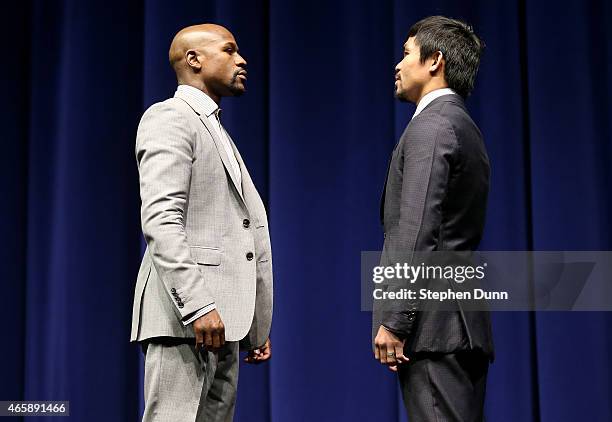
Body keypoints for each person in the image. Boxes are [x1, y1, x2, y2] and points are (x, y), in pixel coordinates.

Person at [130, 23, 273, 422]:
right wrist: (197, 306)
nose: (242, 60)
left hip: (223, 323)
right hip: (188, 319)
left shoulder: (214, 127)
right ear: (194, 60)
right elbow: (161, 219)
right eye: (229, 50)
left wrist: (255, 322)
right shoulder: (170, 117)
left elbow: (237, 230)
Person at [372, 16, 494, 421]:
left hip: (434, 327)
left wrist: (397, 317)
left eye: (406, 54)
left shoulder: (434, 124)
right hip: (456, 325)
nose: (398, 64)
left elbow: (418, 227)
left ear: (434, 60)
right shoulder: (463, 124)